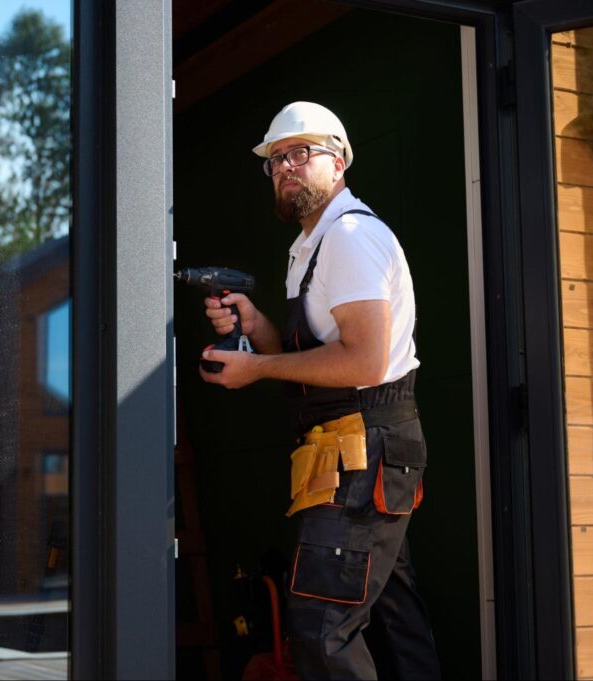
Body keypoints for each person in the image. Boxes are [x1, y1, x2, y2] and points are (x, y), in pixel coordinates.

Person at [198, 101, 441, 680]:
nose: (285, 166)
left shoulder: (350, 237)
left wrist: (256, 370)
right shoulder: (311, 244)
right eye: (276, 158)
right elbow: (319, 356)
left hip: (365, 449)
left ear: (338, 162)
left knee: (320, 628)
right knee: (395, 626)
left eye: (300, 153)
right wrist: (258, 328)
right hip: (354, 450)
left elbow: (362, 359)